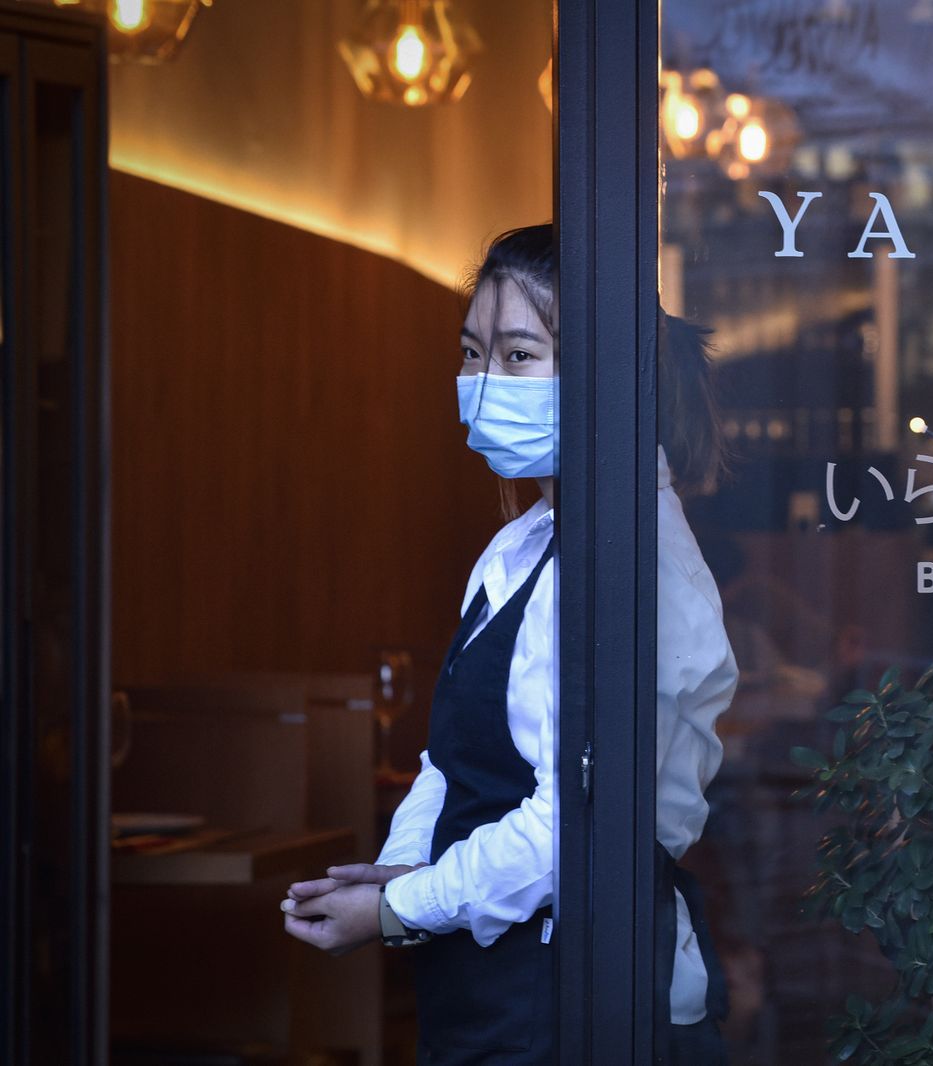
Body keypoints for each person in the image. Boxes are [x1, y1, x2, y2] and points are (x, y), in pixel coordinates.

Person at [278, 225, 739, 1064]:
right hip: (481, 986)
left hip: (570, 987)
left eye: (518, 356)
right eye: (471, 353)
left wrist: (397, 910)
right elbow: (450, 761)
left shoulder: (633, 555)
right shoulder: (522, 544)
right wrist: (401, 870)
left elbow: (572, 826)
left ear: (600, 370)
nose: (482, 383)